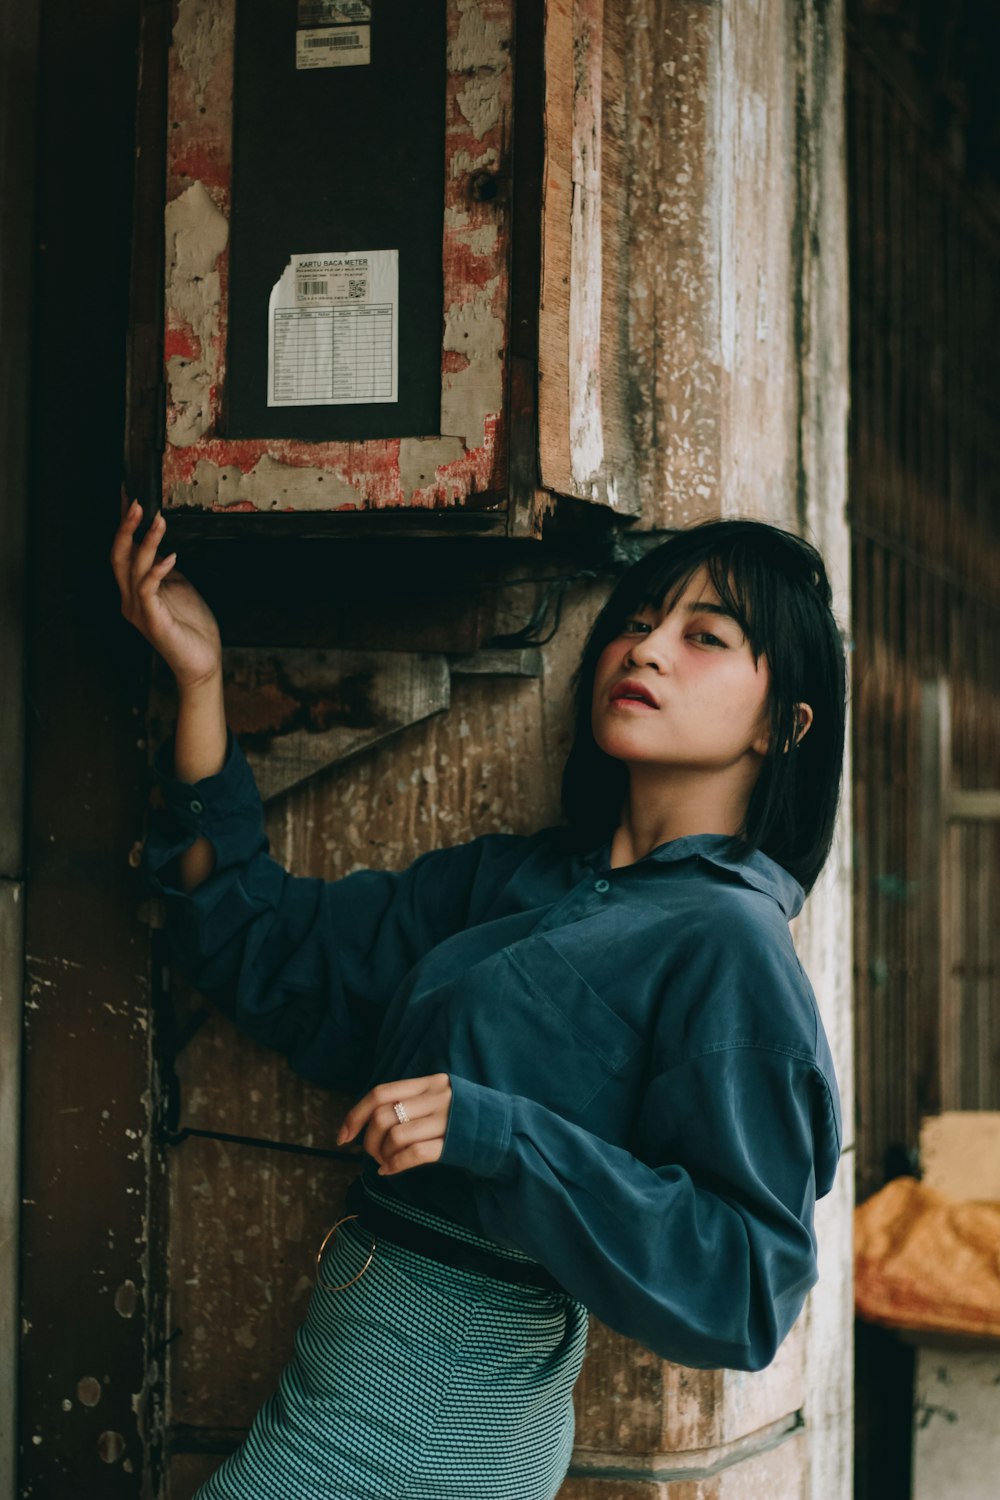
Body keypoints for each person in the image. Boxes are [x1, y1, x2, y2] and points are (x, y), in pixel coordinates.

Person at [110, 500, 846, 1500]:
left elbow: (748, 1288)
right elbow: (256, 942)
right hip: (346, 1392)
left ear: (782, 725)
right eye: (636, 619)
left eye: (704, 636)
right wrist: (199, 681)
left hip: (439, 1420)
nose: (646, 650)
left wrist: (498, 1135)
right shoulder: (515, 886)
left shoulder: (728, 943)